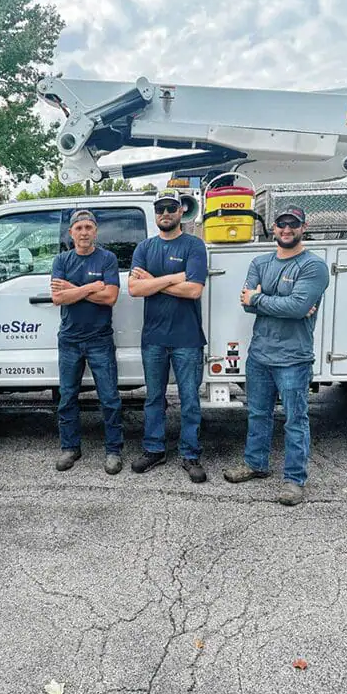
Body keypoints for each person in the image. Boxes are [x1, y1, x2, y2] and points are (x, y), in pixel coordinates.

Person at [224, 207, 330, 506]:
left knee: (295, 420)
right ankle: (255, 464)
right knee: (258, 414)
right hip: (259, 355)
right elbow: (246, 303)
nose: (286, 229)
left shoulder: (313, 266)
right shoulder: (260, 262)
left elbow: (296, 308)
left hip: (293, 359)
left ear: (303, 227)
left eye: (293, 224)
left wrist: (260, 299)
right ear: (273, 227)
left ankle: (294, 481)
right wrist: (278, 303)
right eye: (282, 224)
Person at [127, 189, 209, 483]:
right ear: (155, 212)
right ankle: (154, 449)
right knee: (154, 398)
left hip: (187, 338)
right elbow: (135, 290)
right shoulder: (144, 248)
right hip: (154, 338)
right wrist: (175, 278)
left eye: (171, 208)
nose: (165, 213)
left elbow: (195, 290)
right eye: (160, 208)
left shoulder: (194, 246)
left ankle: (190, 455)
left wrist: (154, 282)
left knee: (189, 400)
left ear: (180, 212)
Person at [50, 209, 124, 474]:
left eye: (88, 228)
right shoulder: (61, 260)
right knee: (67, 398)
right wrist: (92, 287)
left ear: (96, 231)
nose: (83, 232)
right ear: (71, 232)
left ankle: (114, 450)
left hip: (99, 339)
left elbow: (110, 297)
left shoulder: (107, 258)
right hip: (69, 340)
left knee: (110, 398)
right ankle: (70, 448)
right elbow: (58, 299)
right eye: (78, 228)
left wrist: (74, 289)